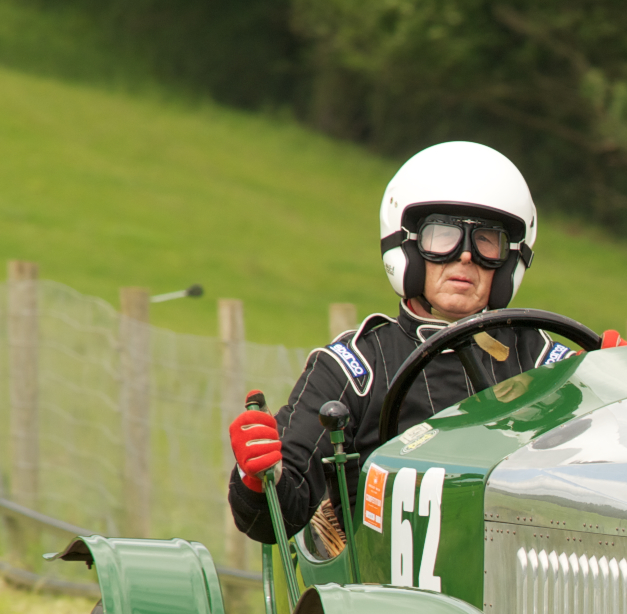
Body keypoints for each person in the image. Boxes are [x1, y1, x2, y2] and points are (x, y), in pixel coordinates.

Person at [226, 140, 577, 545]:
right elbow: (274, 521)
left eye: (486, 241)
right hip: (387, 596)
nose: (464, 256)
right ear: (406, 244)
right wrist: (257, 474)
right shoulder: (353, 366)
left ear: (510, 259)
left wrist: (624, 388)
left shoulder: (553, 364)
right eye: (442, 236)